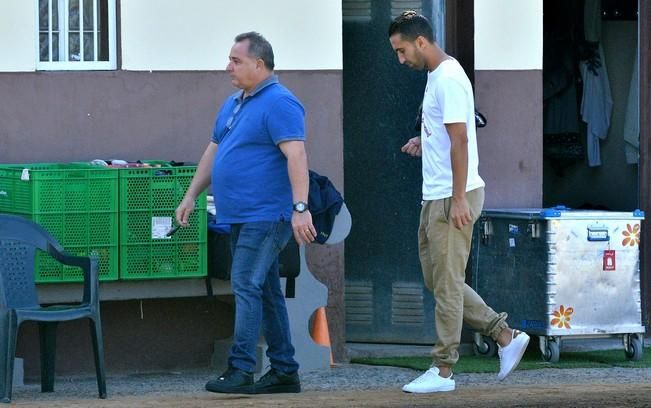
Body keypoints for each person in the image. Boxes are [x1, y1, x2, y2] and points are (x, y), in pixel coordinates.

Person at [388, 11, 530, 393]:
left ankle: (444, 370)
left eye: (402, 51)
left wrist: (458, 199)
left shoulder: (448, 78)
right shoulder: (438, 76)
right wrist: (425, 141)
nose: (401, 60)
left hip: (453, 196)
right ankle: (504, 335)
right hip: (437, 195)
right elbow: (449, 134)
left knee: (448, 285)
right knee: (439, 281)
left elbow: (462, 140)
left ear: (421, 41)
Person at [175, 32, 315, 395]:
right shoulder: (235, 102)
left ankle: (240, 369)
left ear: (260, 64)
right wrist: (191, 194)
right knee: (265, 289)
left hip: (266, 216)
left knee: (245, 284)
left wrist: (300, 209)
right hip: (239, 215)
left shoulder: (281, 102)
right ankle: (285, 370)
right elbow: (213, 151)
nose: (228, 67)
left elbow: (296, 156)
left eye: (236, 61)